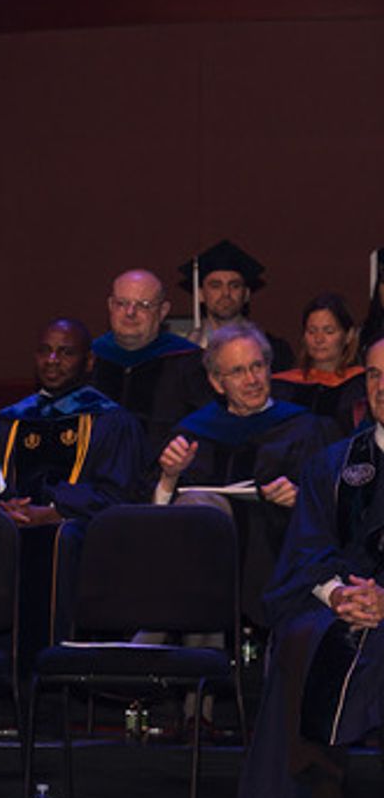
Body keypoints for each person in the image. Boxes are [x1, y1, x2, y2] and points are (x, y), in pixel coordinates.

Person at [238, 335, 384, 798]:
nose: (383, 386)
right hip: (348, 601)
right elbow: (308, 548)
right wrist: (340, 596)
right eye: (373, 374)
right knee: (304, 635)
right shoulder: (334, 464)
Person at [154, 324, 334, 630]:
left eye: (257, 367)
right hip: (201, 550)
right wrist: (169, 478)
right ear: (216, 381)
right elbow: (158, 520)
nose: (252, 380)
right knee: (199, 509)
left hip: (276, 555)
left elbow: (335, 506)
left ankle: (179, 633)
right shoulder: (194, 432)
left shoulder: (305, 429)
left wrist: (300, 498)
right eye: (238, 371)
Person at [0, 317, 143, 641]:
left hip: (80, 538)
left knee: (62, 541)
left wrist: (54, 513)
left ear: (88, 362)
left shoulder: (112, 422)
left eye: (65, 353)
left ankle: (61, 668)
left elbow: (118, 495)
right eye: (45, 351)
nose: (52, 361)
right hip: (13, 532)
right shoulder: (9, 420)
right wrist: (7, 509)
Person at [89, 269, 211, 454]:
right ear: (110, 306)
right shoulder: (88, 360)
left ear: (163, 311)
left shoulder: (190, 362)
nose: (130, 313)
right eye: (121, 303)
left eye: (143, 305)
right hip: (93, 478)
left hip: (163, 477)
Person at [180, 239, 294, 371]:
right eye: (216, 286)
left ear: (245, 294)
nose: (226, 293)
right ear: (200, 294)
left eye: (234, 286)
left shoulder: (274, 351)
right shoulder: (185, 352)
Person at [271, 293, 366, 436]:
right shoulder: (282, 386)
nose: (319, 339)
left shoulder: (361, 385)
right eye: (312, 331)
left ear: (348, 336)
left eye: (329, 331)